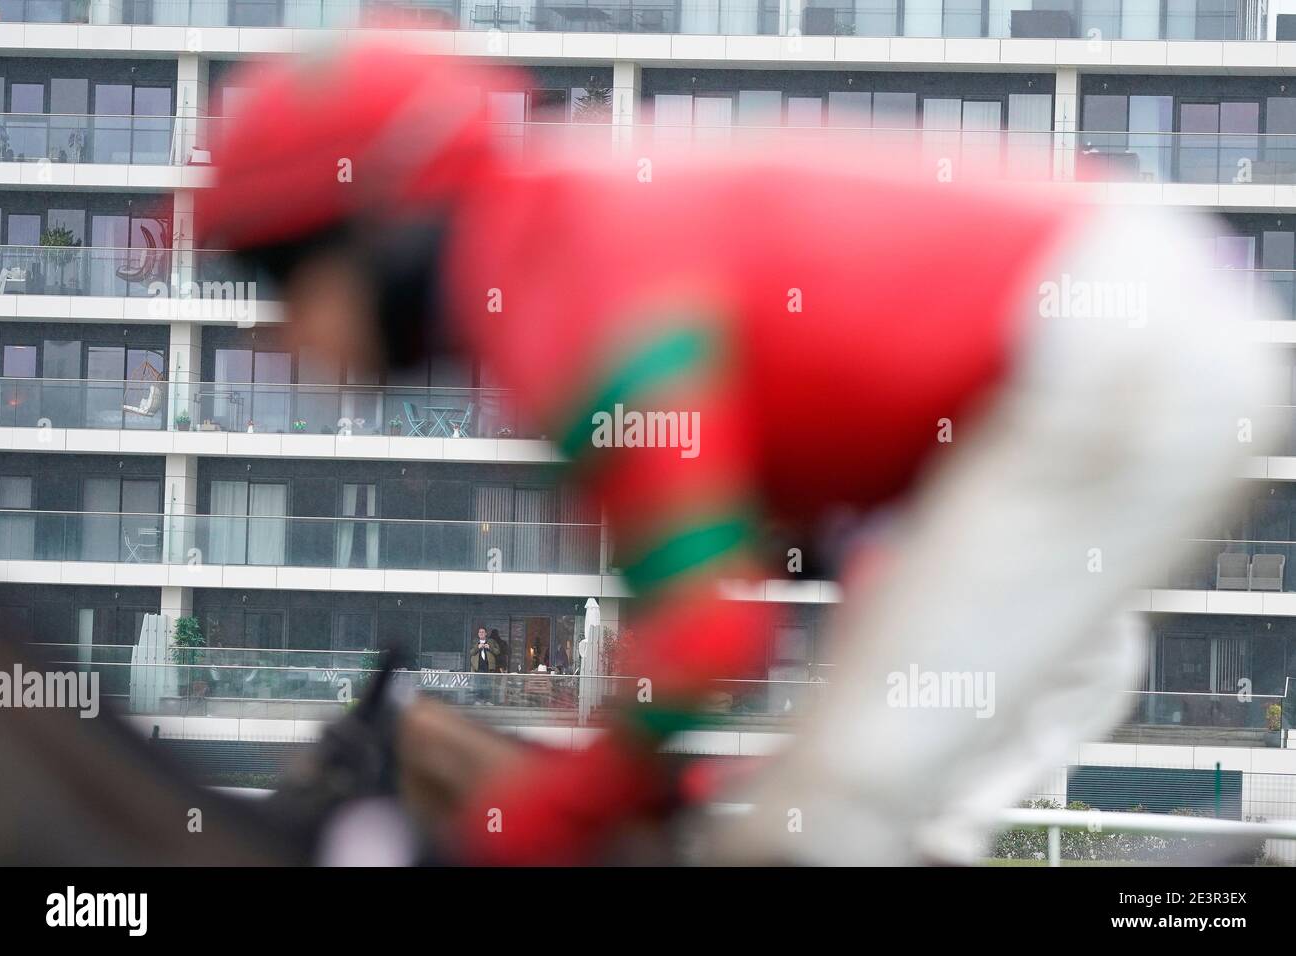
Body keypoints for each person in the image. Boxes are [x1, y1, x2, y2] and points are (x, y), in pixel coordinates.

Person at [197, 43, 1280, 865]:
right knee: (835, 809)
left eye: (273, 281)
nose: (274, 343)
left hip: (1105, 359)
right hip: (1097, 359)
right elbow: (743, 613)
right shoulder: (553, 241)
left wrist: (509, 833)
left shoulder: (559, 289)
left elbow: (711, 633)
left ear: (378, 229)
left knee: (817, 827)